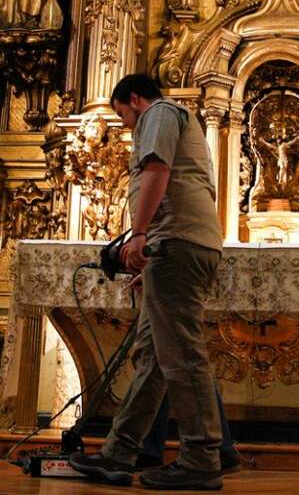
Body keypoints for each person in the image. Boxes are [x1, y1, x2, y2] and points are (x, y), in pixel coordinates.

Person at [68, 74, 229, 490]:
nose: (125, 125)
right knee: (154, 357)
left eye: (122, 115)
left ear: (135, 99)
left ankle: (201, 459)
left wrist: (139, 235)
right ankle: (118, 452)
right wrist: (151, 258)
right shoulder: (175, 118)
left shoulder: (159, 113)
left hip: (176, 242)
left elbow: (157, 168)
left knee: (181, 355)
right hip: (174, 245)